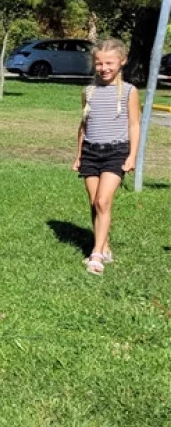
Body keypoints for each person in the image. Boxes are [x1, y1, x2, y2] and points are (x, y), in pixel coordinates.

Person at [73, 38, 140, 275]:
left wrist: (133, 156)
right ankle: (105, 245)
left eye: (110, 63)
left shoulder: (129, 91)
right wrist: (79, 155)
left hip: (116, 151)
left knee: (103, 201)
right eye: (99, 63)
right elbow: (84, 125)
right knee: (94, 203)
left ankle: (96, 254)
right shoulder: (88, 91)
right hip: (91, 151)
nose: (104, 68)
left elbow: (134, 125)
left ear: (122, 61)